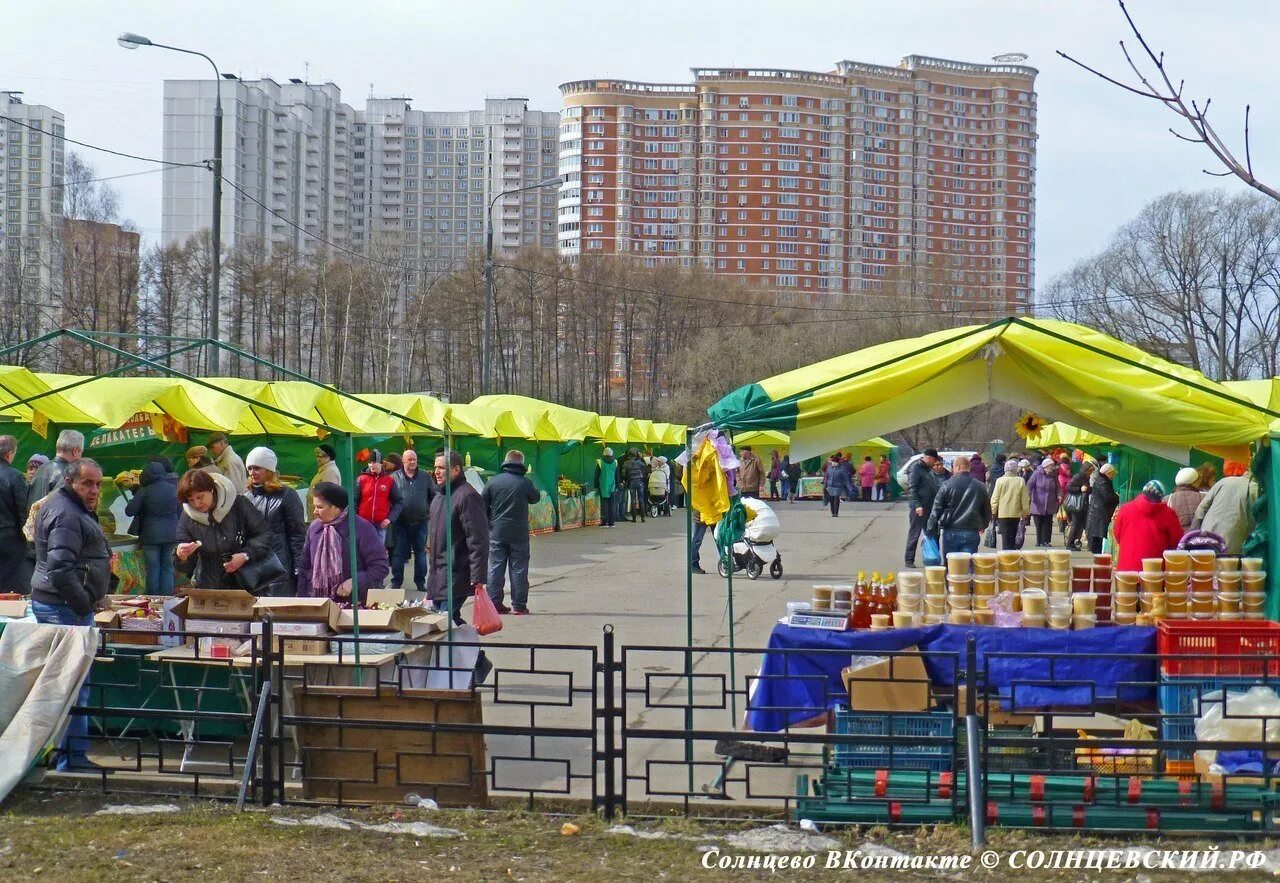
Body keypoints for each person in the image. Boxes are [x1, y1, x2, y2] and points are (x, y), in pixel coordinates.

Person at [30, 457, 110, 771]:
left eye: (98, 484)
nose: (93, 490)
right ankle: (70, 758)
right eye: (87, 483)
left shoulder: (71, 509)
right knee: (73, 687)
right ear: (69, 482)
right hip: (64, 609)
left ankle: (66, 755)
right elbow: (61, 568)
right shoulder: (65, 513)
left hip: (62, 605)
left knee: (68, 685)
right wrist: (84, 605)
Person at [174, 469, 273, 590]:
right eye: (191, 500)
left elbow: (264, 534)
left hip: (245, 584)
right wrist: (181, 556)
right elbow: (186, 567)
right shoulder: (187, 516)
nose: (197, 504)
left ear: (211, 489)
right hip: (206, 586)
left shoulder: (239, 505)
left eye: (200, 497)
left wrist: (245, 555)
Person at [296, 481, 389, 601]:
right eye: (315, 507)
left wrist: (354, 582)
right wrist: (302, 598)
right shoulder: (314, 528)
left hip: (353, 604)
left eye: (320, 507)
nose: (315, 512)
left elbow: (380, 567)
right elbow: (305, 566)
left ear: (336, 508)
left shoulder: (362, 529)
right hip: (317, 601)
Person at [427, 450, 489, 625]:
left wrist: (478, 577)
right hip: (438, 575)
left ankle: (474, 653)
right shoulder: (439, 496)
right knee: (444, 623)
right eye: (435, 468)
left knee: (445, 623)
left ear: (455, 469)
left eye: (441, 468)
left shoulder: (467, 496)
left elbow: (478, 539)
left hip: (456, 574)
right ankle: (473, 652)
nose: (436, 472)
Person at [483, 450, 540, 616]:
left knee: (495, 568)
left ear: (505, 463)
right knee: (519, 569)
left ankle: (494, 604)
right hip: (519, 533)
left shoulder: (492, 482)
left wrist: (490, 524)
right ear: (522, 464)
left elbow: (482, 505)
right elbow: (535, 498)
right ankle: (519, 606)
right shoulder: (525, 483)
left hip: (497, 532)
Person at [245, 447, 306, 596]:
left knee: (280, 615)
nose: (252, 472)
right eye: (250, 468)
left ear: (269, 470)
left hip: (280, 568)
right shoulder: (247, 497)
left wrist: (299, 568)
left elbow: (297, 534)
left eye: (257, 468)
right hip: (254, 569)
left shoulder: (287, 496)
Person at [123, 456, 179, 596]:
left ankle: (152, 600)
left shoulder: (145, 491)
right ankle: (166, 600)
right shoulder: (174, 489)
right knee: (168, 568)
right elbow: (181, 512)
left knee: (153, 568)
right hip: (172, 534)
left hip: (150, 536)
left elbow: (129, 511)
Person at [1113, 479, 1185, 572]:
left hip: (1127, 569)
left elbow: (1117, 534)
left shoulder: (1125, 509)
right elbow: (1176, 540)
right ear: (1161, 497)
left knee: (1128, 586)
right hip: (1154, 570)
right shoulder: (1168, 513)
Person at [927, 455, 992, 557]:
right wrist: (983, 525)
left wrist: (930, 529)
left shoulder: (946, 485)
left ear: (957, 467)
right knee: (968, 563)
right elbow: (987, 510)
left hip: (951, 529)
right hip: (971, 530)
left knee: (952, 565)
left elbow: (936, 509)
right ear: (968, 467)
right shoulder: (980, 486)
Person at [390, 449, 434, 593]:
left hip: (420, 521)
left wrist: (430, 511)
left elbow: (433, 495)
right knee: (398, 553)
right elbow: (389, 499)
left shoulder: (425, 477)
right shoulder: (394, 478)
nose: (413, 462)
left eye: (414, 459)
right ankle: (396, 581)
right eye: (410, 459)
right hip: (400, 523)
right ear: (403, 461)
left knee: (420, 553)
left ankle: (420, 582)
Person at [1192, 460, 1258, 555]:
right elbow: (1253, 524)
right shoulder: (1255, 490)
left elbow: (1200, 511)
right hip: (1231, 546)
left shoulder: (1222, 482)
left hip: (1206, 539)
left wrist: (1192, 537)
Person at [0, 435, 30, 593]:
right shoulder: (15, 476)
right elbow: (22, 511)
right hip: (9, 540)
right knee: (9, 586)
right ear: (9, 454)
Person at [354, 449, 403, 542]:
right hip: (363, 523)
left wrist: (389, 519)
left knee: (378, 552)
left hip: (380, 525)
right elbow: (354, 500)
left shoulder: (389, 480)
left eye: (374, 462)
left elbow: (399, 501)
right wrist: (355, 519)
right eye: (370, 462)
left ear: (381, 463)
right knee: (364, 552)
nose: (372, 465)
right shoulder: (361, 479)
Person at [904, 450, 943, 567]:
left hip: (930, 506)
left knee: (933, 532)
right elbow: (912, 488)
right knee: (915, 533)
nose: (935, 463)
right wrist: (917, 505)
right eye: (934, 460)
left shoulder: (927, 469)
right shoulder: (916, 468)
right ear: (929, 458)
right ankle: (909, 560)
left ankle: (933, 558)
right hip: (919, 508)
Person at [27, 429, 83, 508]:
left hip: (34, 519)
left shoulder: (40, 469)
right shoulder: (70, 474)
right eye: (81, 452)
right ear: (75, 450)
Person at [990, 459, 1030, 550]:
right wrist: (1025, 512)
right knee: (1013, 537)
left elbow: (995, 498)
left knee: (1005, 537)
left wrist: (993, 511)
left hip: (1003, 514)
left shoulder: (1000, 481)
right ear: (1016, 469)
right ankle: (1013, 555)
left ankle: (1006, 557)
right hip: (1015, 513)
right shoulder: (1020, 481)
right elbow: (1024, 498)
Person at [1086, 463, 1121, 554]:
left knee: (1096, 533)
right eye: (1112, 473)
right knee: (1098, 534)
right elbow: (1108, 498)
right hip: (1100, 511)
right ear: (1107, 473)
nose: (1113, 475)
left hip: (1096, 510)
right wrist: (1116, 497)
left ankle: (1095, 550)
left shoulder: (1099, 480)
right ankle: (1097, 553)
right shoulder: (1103, 482)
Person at [1026, 458, 1060, 548]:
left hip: (1050, 502)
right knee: (1039, 523)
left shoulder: (1054, 475)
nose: (1052, 467)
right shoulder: (1037, 473)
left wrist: (1059, 495)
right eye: (1051, 466)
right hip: (1038, 502)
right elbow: (1029, 484)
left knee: (1048, 523)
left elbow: (1058, 486)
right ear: (1046, 466)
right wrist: (1028, 494)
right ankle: (1039, 540)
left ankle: (1047, 541)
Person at [1063, 461, 1095, 551]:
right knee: (1076, 524)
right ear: (1085, 470)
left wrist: (1089, 489)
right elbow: (1068, 487)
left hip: (1082, 505)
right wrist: (1080, 489)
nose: (1091, 473)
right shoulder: (1079, 476)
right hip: (1076, 505)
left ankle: (1074, 542)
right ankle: (1070, 544)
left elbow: (1086, 489)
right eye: (1090, 471)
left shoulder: (1085, 477)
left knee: (1080, 525)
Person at [307, 444, 342, 521]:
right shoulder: (325, 470)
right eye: (317, 456)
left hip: (322, 517)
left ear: (329, 457)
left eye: (321, 456)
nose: (318, 459)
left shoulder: (330, 471)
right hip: (318, 514)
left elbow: (328, 497)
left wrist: (323, 518)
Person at [1167, 466, 1204, 532]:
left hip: (1176, 540)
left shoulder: (1167, 500)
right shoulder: (1204, 497)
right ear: (1195, 482)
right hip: (1198, 539)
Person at [621, 449, 648, 523]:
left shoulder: (626, 463)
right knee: (641, 499)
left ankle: (634, 518)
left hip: (632, 482)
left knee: (633, 500)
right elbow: (645, 469)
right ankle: (643, 517)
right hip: (640, 482)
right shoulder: (639, 462)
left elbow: (623, 474)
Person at [594, 447, 619, 528]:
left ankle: (605, 522)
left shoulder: (600, 462)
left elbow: (597, 475)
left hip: (603, 486)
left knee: (604, 504)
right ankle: (612, 522)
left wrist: (596, 486)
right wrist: (617, 485)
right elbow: (617, 475)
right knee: (612, 504)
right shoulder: (615, 462)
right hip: (612, 486)